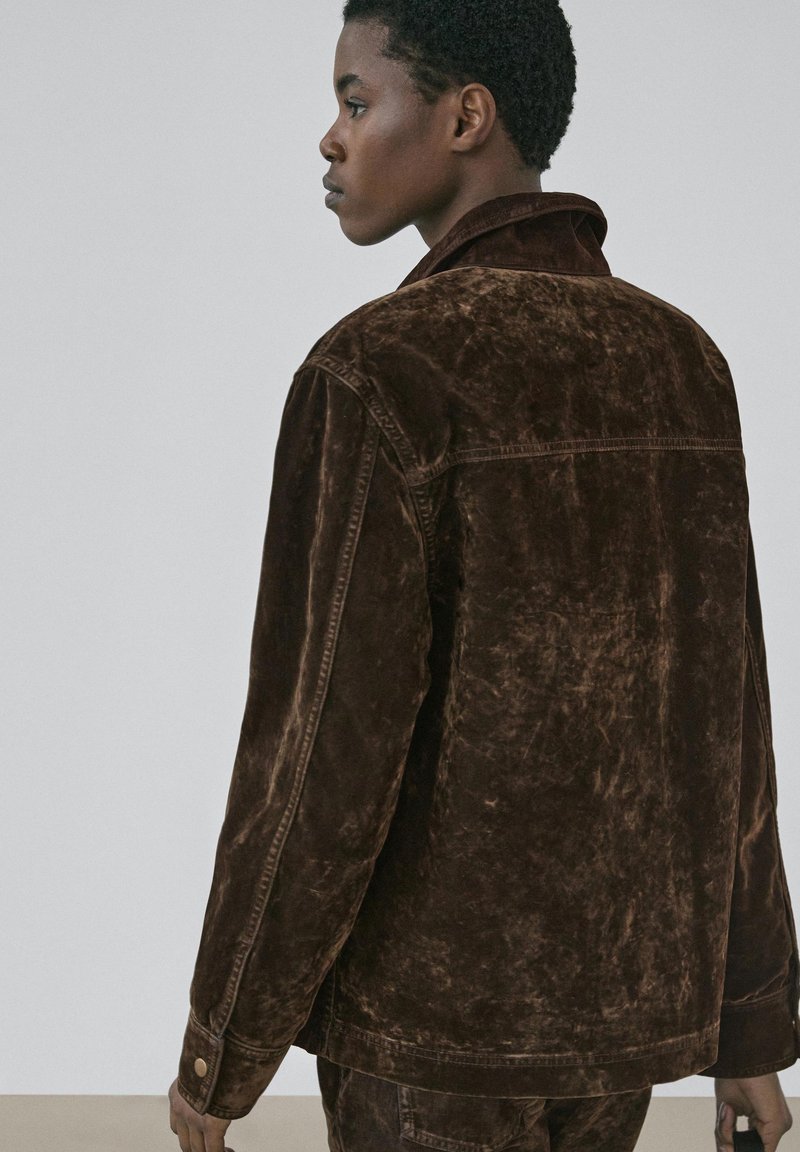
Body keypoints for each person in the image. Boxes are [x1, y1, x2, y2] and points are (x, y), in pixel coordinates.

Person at [167, 3, 799, 1150]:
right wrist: (749, 1028)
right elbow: (727, 721)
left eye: (356, 100)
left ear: (465, 117)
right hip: (616, 1047)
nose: (330, 138)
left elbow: (318, 758)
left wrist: (222, 1048)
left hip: (428, 1049)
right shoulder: (681, 362)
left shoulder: (377, 368)